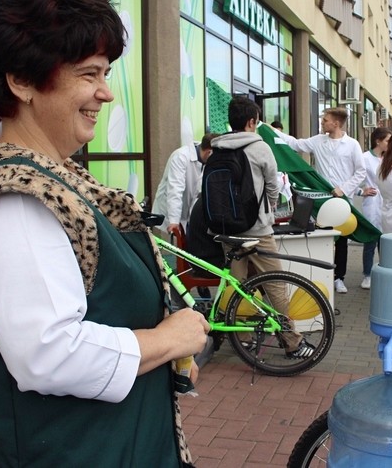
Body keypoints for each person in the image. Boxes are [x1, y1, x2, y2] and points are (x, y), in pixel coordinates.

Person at [0, 0, 210, 466]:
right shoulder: (15, 201)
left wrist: (162, 356)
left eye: (105, 74)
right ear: (22, 81)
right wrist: (165, 339)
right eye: (89, 74)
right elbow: (47, 354)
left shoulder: (54, 183)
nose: (106, 93)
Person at [210, 96, 315, 358]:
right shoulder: (260, 147)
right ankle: (292, 342)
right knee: (275, 284)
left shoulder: (217, 148)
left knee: (236, 285)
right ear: (251, 121)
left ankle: (242, 338)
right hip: (257, 231)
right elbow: (273, 187)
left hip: (226, 230)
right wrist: (267, 214)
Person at [274, 108, 365, 293]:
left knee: (341, 239)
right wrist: (271, 130)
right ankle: (321, 274)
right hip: (322, 199)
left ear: (336, 123)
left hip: (342, 199)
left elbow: (361, 171)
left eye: (325, 120)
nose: (322, 122)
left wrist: (343, 188)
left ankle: (339, 277)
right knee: (321, 237)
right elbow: (296, 144)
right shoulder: (318, 141)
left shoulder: (352, 145)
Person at [152, 133, 216, 235]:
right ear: (209, 152)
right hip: (169, 212)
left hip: (188, 214)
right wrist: (174, 220)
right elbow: (175, 190)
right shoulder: (180, 157)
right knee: (173, 240)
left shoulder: (205, 161)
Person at [357, 127, 391, 289]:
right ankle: (367, 275)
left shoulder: (389, 158)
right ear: (378, 141)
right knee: (370, 240)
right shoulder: (364, 158)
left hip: (387, 202)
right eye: (387, 140)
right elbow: (354, 177)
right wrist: (361, 191)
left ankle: (385, 273)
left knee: (385, 241)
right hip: (372, 202)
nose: (390, 144)